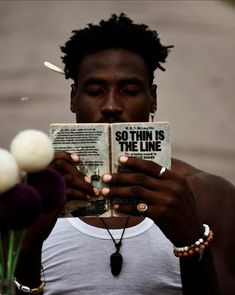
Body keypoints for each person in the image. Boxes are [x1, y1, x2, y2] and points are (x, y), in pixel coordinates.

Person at [15, 13, 235, 295]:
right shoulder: (26, 199)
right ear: (73, 98)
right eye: (95, 91)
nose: (110, 106)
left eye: (129, 91)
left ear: (152, 98)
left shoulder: (211, 196)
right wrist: (28, 248)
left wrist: (192, 242)